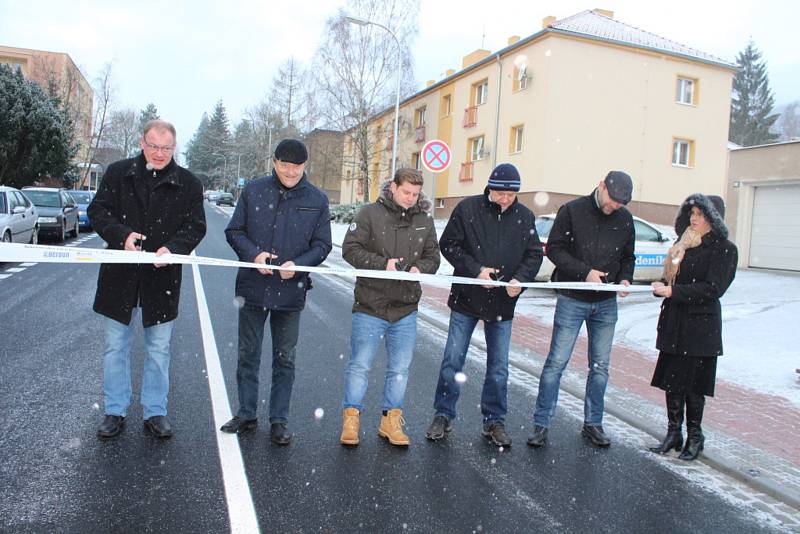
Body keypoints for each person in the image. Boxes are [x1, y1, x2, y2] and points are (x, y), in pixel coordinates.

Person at [90, 120, 206, 439]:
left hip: (162, 279)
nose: (159, 153)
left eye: (166, 148)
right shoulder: (118, 173)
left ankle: (155, 411)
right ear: (142, 143)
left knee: (159, 349)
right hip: (120, 278)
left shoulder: (189, 184)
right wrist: (122, 236)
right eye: (153, 146)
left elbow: (196, 226)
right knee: (116, 347)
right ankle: (115, 410)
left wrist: (174, 247)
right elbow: (97, 211)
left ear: (174, 147)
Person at [222, 139, 332, 445]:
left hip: (290, 291)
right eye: (285, 165)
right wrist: (254, 255)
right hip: (253, 287)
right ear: (274, 162)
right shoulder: (254, 191)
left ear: (304, 166)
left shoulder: (317, 200)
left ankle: (279, 420)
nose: (290, 172)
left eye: (297, 166)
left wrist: (299, 264)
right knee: (248, 354)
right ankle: (246, 414)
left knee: (285, 359)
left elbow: (323, 245)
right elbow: (234, 232)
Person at [426, 163, 543, 447]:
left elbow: (534, 255)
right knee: (453, 358)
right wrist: (477, 270)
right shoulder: (467, 209)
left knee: (499, 365)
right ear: (490, 187)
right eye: (500, 193)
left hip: (503, 303)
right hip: (467, 297)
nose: (505, 199)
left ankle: (494, 421)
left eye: (511, 194)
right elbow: (449, 245)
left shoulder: (525, 216)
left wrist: (520, 280)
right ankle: (443, 414)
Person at [528, 171, 635, 448]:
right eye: (612, 201)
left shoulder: (624, 219)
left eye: (621, 204)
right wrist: (584, 272)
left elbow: (627, 256)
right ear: (601, 186)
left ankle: (593, 424)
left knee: (600, 367)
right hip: (572, 299)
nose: (615, 207)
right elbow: (554, 250)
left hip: (606, 303)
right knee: (556, 363)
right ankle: (542, 424)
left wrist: (625, 278)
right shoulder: (572, 211)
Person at [339, 169, 440, 447]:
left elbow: (434, 257)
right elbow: (350, 250)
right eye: (406, 192)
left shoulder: (424, 220)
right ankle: (351, 418)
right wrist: (383, 264)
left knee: (399, 370)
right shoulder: (370, 214)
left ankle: (390, 421)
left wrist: (422, 267)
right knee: (360, 366)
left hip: (406, 308)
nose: (410, 198)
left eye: (415, 194)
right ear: (393, 187)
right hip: (371, 305)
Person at [649, 194, 737, 461]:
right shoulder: (682, 244)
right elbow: (671, 278)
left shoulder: (724, 248)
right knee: (672, 382)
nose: (693, 218)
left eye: (700, 214)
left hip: (700, 327)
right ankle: (673, 433)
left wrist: (672, 291)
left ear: (713, 219)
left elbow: (713, 288)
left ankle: (695, 437)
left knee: (694, 386)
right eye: (692, 213)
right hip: (675, 323)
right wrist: (660, 286)